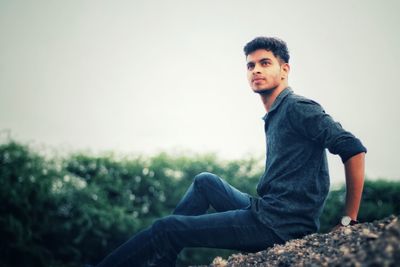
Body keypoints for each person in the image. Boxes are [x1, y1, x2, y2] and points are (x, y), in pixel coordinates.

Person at [94, 37, 367, 267]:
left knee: (167, 228)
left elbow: (352, 148)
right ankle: (164, 256)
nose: (255, 70)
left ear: (284, 70)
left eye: (264, 63)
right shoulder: (276, 113)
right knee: (205, 181)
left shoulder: (298, 107)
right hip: (266, 210)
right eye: (250, 65)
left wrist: (347, 220)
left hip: (278, 226)